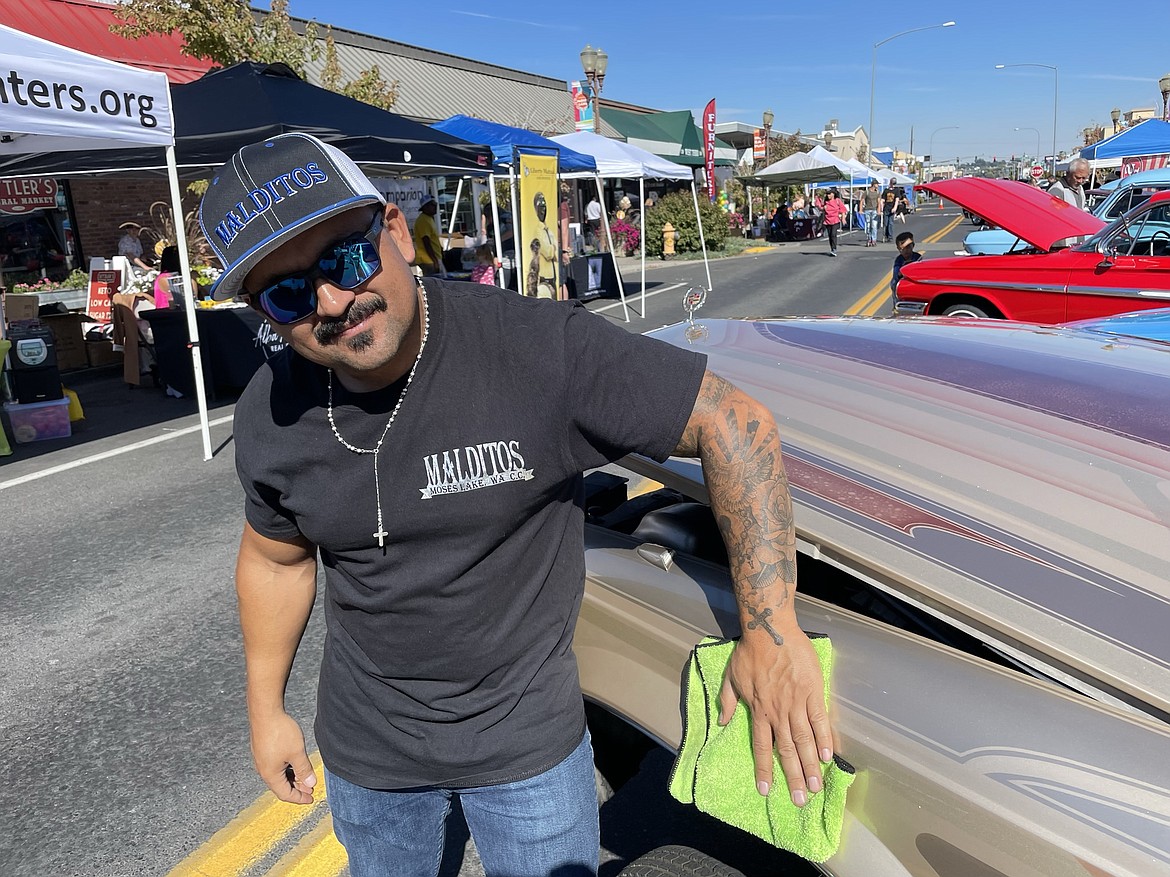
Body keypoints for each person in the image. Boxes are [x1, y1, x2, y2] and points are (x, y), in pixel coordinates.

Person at [198, 132, 834, 877]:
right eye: (289, 292)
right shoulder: (269, 413)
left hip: (526, 746)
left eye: (346, 256)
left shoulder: (535, 350)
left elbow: (734, 422)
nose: (333, 300)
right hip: (369, 755)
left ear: (395, 229)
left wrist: (772, 631)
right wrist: (266, 710)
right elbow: (275, 559)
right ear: (261, 311)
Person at [525, 191, 558, 299]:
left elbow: (554, 248)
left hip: (552, 274)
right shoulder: (538, 231)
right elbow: (549, 253)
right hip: (545, 276)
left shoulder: (547, 230)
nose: (543, 211)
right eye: (540, 208)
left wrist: (553, 247)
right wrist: (553, 247)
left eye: (545, 207)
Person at [411, 196, 445, 277]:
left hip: (432, 259)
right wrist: (435, 260)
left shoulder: (429, 219)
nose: (435, 206)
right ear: (425, 207)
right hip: (428, 260)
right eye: (432, 204)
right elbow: (426, 242)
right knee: (434, 284)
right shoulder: (423, 220)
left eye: (435, 204)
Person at [891, 231, 922, 295]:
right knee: (894, 283)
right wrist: (900, 273)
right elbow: (896, 274)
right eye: (902, 248)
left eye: (908, 247)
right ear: (898, 249)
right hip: (903, 282)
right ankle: (897, 300)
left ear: (913, 246)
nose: (905, 250)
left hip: (915, 281)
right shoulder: (899, 260)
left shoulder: (917, 257)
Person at [822, 188, 847, 257]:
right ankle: (832, 248)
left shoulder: (837, 201)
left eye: (829, 194)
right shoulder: (825, 202)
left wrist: (843, 218)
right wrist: (823, 208)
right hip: (827, 221)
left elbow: (843, 210)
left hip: (835, 220)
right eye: (827, 194)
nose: (828, 195)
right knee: (830, 236)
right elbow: (821, 209)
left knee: (833, 234)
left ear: (833, 194)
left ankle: (834, 249)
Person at [862, 181, 881, 246]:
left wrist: (879, 210)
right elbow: (862, 200)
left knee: (874, 226)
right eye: (877, 184)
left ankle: (874, 239)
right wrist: (860, 209)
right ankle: (869, 239)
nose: (878, 185)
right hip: (867, 210)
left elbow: (879, 202)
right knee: (868, 225)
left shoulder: (878, 192)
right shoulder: (866, 192)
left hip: (874, 210)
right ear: (873, 184)